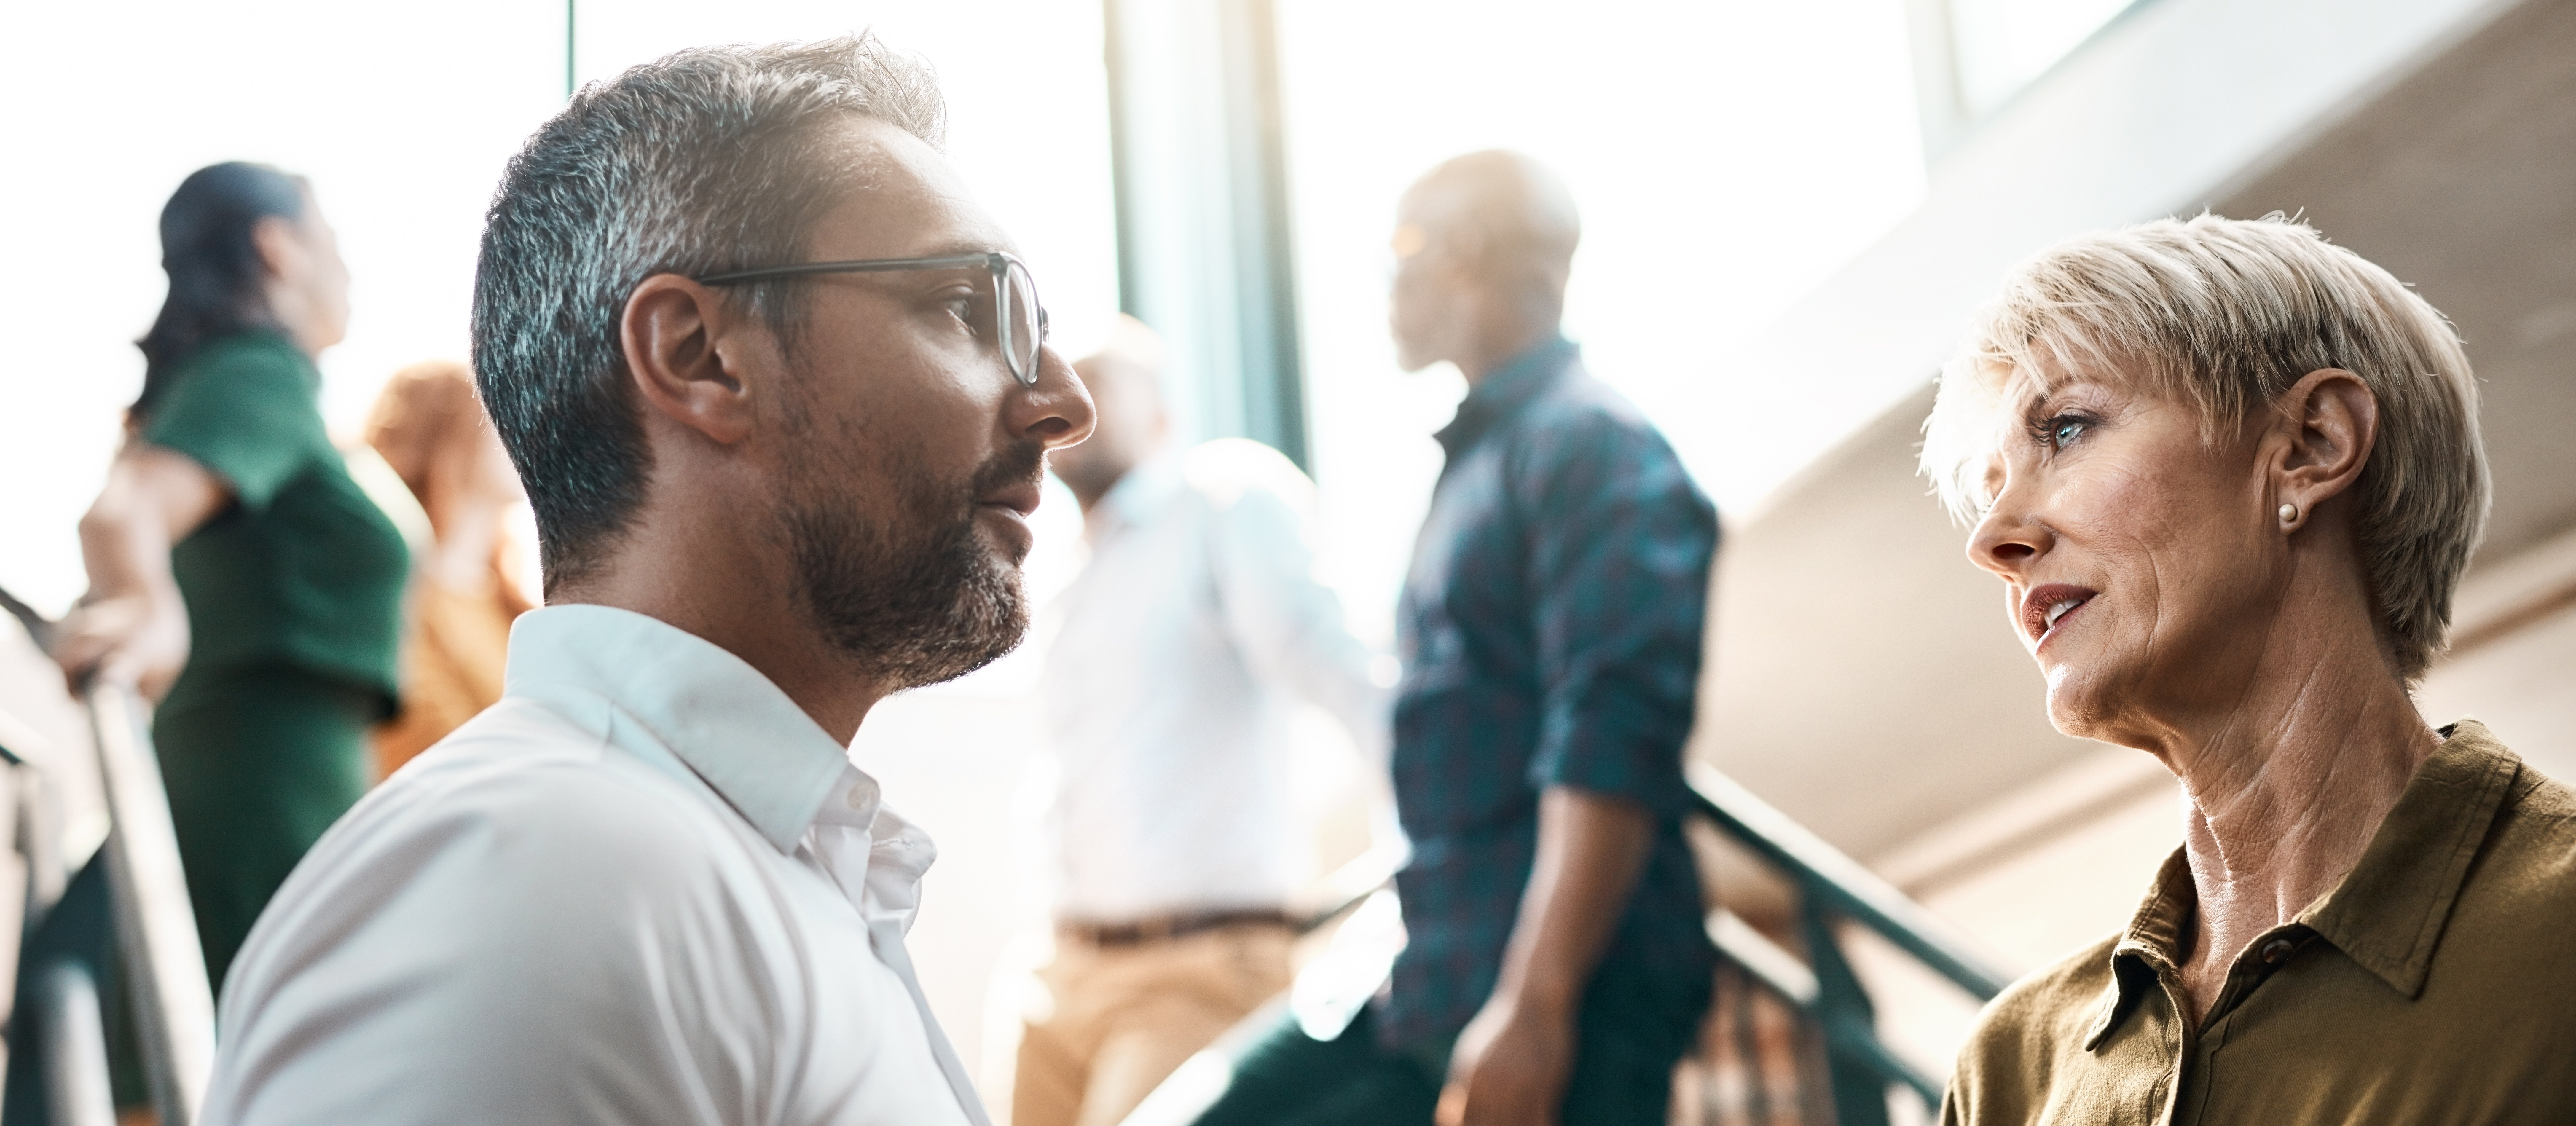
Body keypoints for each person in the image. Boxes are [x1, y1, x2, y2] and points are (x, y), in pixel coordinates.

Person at [200, 36, 1095, 1125]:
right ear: (698, 355)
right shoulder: (541, 880)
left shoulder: (723, 865)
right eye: (964, 305)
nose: (1062, 399)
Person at [1922, 216, 2576, 1122]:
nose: (1994, 539)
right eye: (1992, 484)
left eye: (2068, 429)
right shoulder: (2010, 1071)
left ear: (2311, 445)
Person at [1195, 151, 1718, 1126]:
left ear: (1464, 250)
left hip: (1558, 988)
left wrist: (1536, 1000)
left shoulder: (1589, 442)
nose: (1385, 280)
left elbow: (1609, 734)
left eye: (1400, 245)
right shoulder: (1480, 462)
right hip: (1433, 964)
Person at [1017, 316, 1390, 1126]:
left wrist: (1436, 863)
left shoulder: (1223, 504)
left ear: (1163, 418)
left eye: (1101, 382)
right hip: (1057, 975)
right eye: (1059, 380)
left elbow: (1347, 679)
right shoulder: (1066, 574)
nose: (1070, 398)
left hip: (1196, 968)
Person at [52, 162, 407, 991]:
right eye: (332, 240)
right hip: (256, 809)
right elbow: (122, 512)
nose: (346, 268)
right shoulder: (259, 371)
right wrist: (145, 601)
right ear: (277, 247)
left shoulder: (233, 382)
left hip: (263, 790)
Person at [362, 360, 532, 777]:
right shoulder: (397, 600)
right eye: (504, 407)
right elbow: (437, 751)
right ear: (451, 432)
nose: (530, 421)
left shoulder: (511, 606)